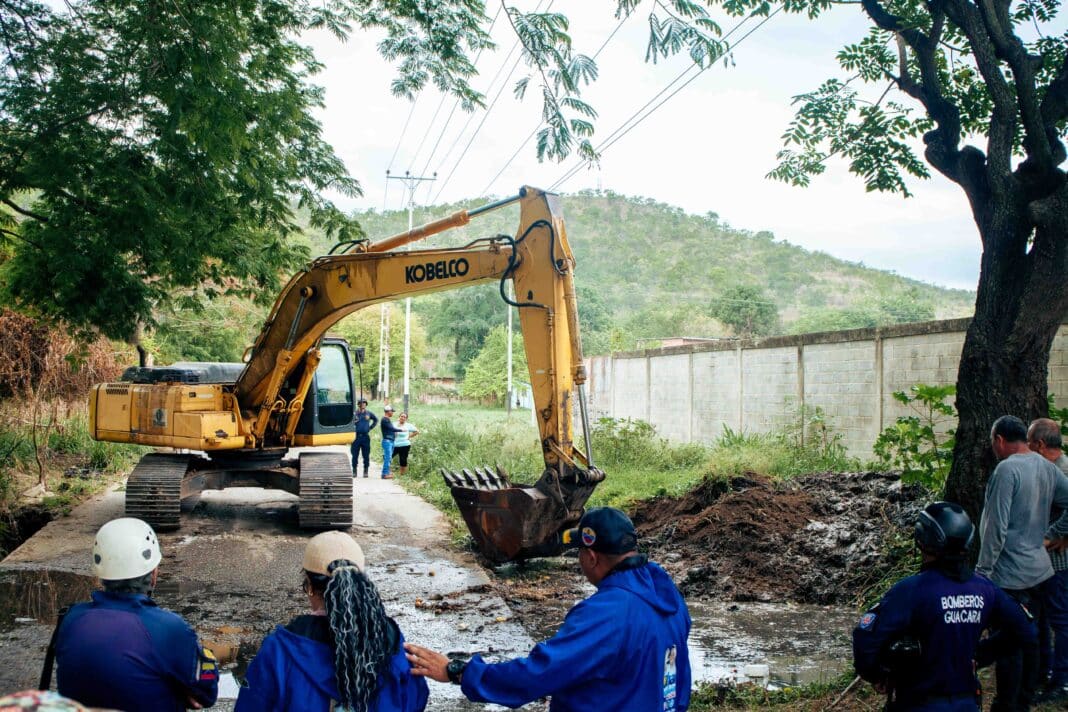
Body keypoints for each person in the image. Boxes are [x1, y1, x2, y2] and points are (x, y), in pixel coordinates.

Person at [404, 507, 692, 711]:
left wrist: (459, 672)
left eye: (579, 553)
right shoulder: (667, 595)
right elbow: (675, 674)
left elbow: (537, 674)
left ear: (591, 556)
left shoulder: (606, 615)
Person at [853, 501, 1035, 710]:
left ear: (922, 539)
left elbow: (866, 640)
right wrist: (981, 654)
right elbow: (1026, 631)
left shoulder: (910, 591)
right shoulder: (985, 589)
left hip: (917, 702)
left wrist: (878, 675)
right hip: (966, 703)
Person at [236, 531, 428, 712]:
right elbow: (415, 700)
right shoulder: (390, 641)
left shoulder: (280, 649)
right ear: (361, 584)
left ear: (310, 586)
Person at [53, 517, 219, 712]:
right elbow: (207, 693)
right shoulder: (170, 629)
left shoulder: (71, 619)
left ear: (101, 572)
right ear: (154, 573)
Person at [977, 415, 1068, 711]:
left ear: (1000, 440)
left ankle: (1008, 704)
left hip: (1009, 577)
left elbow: (995, 528)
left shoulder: (1006, 469)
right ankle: (1025, 701)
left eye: (994, 443)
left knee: (1008, 645)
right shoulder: (1046, 466)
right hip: (1041, 571)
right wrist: (1052, 533)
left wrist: (983, 573)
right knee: (1030, 640)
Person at [1028, 417, 1068, 702]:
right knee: (1041, 617)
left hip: (1059, 562)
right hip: (1042, 562)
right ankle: (1043, 672)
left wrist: (1054, 534)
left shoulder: (1062, 471)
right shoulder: (1048, 468)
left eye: (1029, 443)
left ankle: (1061, 680)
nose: (1026, 448)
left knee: (1060, 620)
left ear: (1040, 445)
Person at [352, 398, 379, 478]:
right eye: (361, 403)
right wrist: (353, 424)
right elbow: (348, 422)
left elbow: (376, 420)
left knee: (366, 455)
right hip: (355, 437)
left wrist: (370, 428)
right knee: (354, 454)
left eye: (364, 403)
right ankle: (354, 471)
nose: (362, 404)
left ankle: (366, 470)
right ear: (358, 404)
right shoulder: (354, 414)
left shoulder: (369, 413)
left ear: (366, 404)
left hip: (365, 437)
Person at [391, 412, 419, 477]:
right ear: (399, 417)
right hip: (394, 444)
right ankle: (388, 471)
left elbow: (417, 431)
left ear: (406, 419)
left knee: (403, 459)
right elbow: (389, 431)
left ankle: (402, 475)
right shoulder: (394, 424)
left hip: (405, 445)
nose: (403, 418)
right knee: (387, 457)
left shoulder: (408, 425)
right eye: (401, 416)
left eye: (404, 417)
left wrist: (409, 436)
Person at [379, 405, 398, 479]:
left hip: (390, 441)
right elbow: (391, 428)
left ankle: (387, 472)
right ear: (388, 411)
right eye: (392, 411)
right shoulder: (385, 420)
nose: (392, 413)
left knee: (389, 458)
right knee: (388, 457)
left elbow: (390, 429)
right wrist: (402, 430)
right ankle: (384, 474)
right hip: (387, 441)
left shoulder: (388, 419)